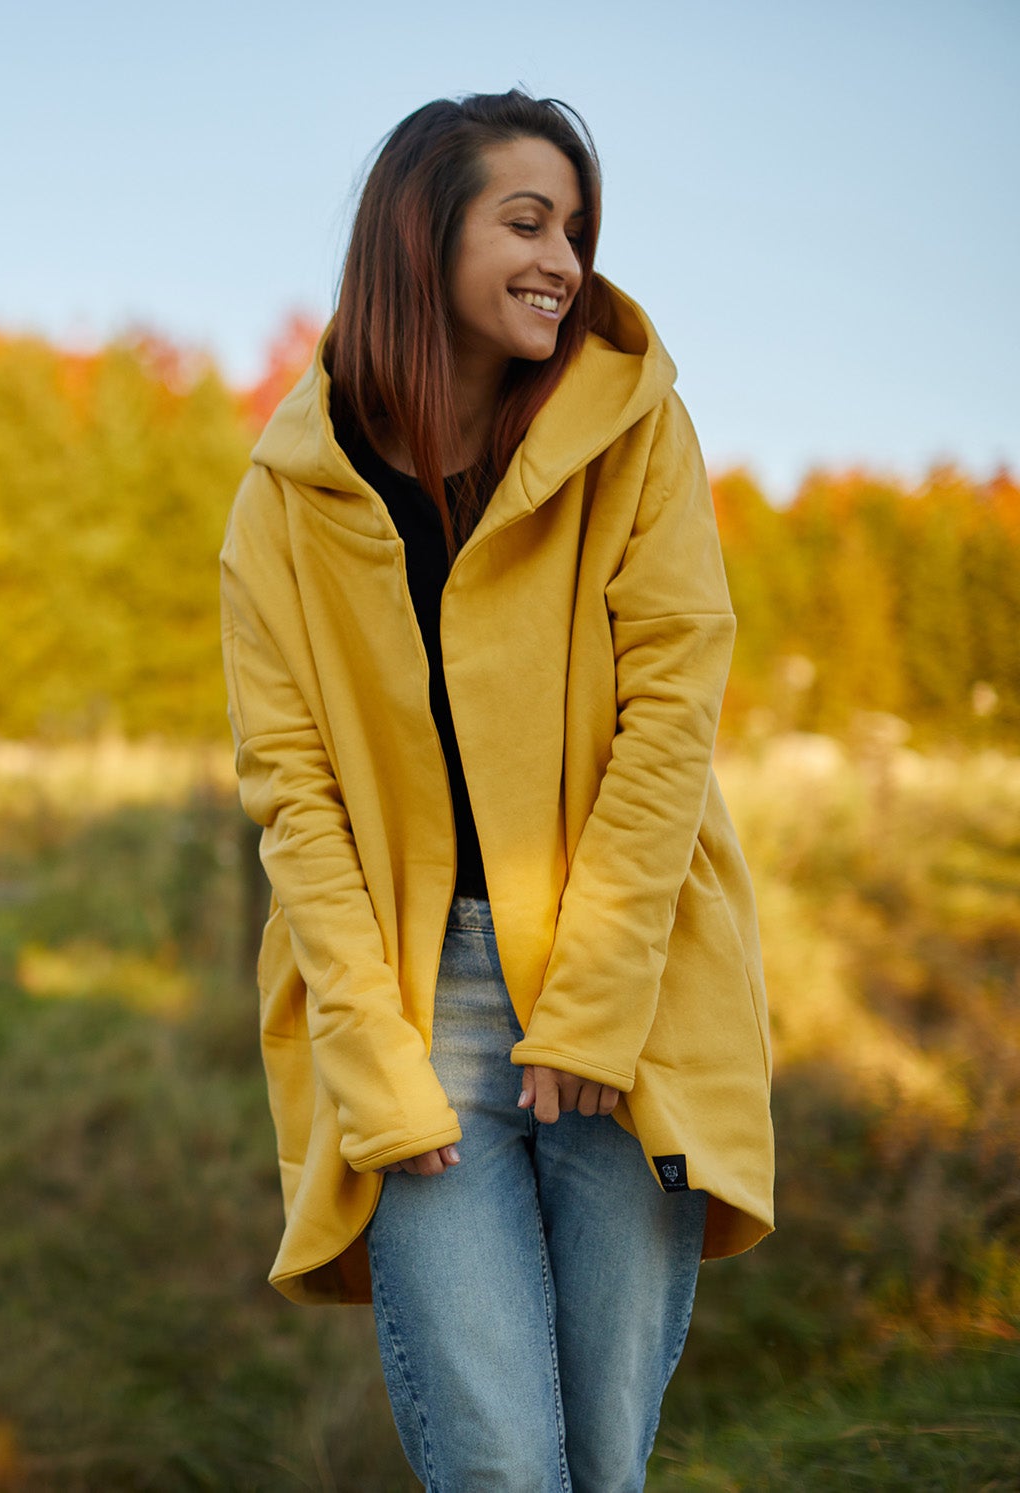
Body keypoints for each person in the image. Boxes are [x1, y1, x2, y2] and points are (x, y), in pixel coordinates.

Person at [218, 88, 776, 1491]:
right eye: (525, 220)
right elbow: (297, 803)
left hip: (627, 993)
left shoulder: (639, 435)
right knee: (504, 1470)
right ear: (423, 236)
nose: (563, 258)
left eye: (576, 229)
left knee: (601, 1466)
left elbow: (670, 725)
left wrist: (591, 1003)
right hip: (416, 1013)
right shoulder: (283, 504)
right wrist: (375, 1067)